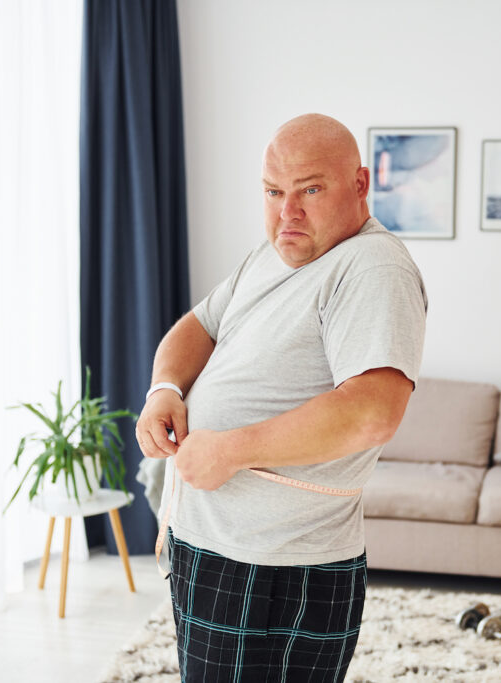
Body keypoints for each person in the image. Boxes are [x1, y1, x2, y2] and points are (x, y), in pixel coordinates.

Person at [135, 113, 427, 681]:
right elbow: (197, 325)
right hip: (213, 546)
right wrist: (165, 389)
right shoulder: (273, 253)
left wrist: (229, 450)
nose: (287, 213)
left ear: (360, 185)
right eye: (273, 192)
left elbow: (372, 412)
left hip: (275, 569)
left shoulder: (372, 267)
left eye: (310, 190)